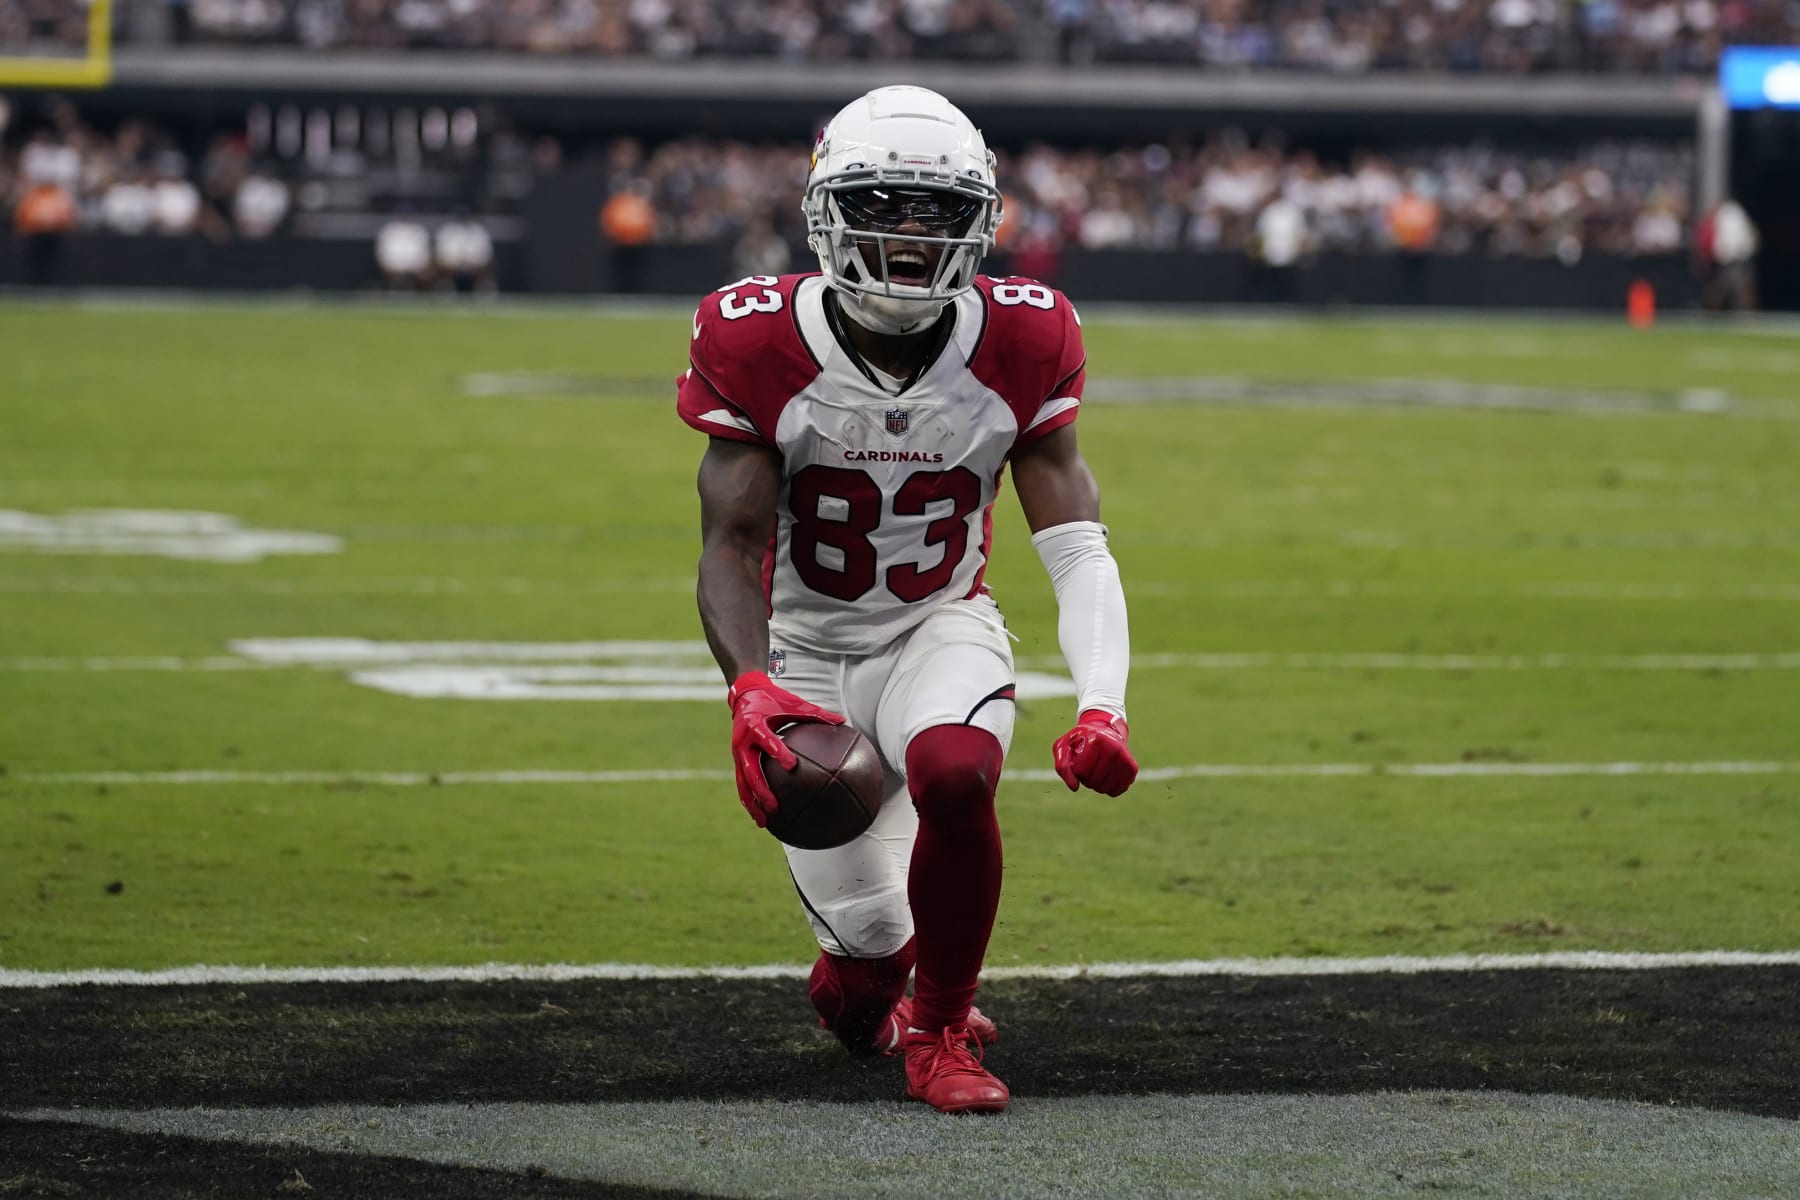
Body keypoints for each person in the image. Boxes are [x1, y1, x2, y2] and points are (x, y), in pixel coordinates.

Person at [678, 85, 1137, 1115]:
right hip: (801, 645)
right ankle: (876, 992)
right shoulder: (757, 337)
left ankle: (938, 1034)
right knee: (863, 979)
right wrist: (750, 689)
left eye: (935, 209)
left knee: (957, 771)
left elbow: (1074, 541)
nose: (908, 233)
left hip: (937, 623)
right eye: (883, 202)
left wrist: (1103, 702)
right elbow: (732, 543)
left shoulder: (1024, 337)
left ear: (980, 220)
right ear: (826, 208)